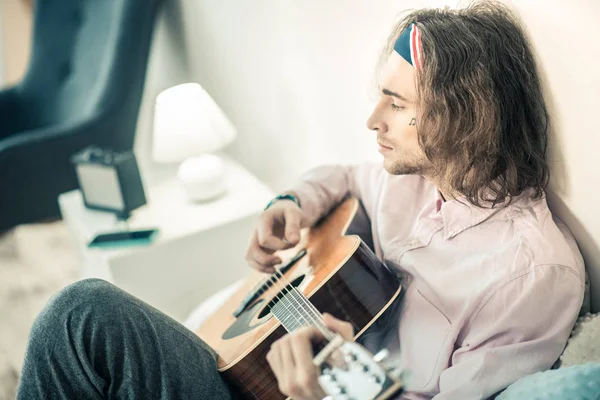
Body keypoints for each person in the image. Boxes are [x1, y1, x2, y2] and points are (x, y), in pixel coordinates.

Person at [17, 1, 585, 399]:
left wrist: (330, 390)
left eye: (395, 103)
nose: (372, 120)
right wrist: (290, 201)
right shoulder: (416, 177)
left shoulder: (531, 273)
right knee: (81, 311)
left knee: (80, 315)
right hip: (256, 370)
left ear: (464, 117)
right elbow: (341, 177)